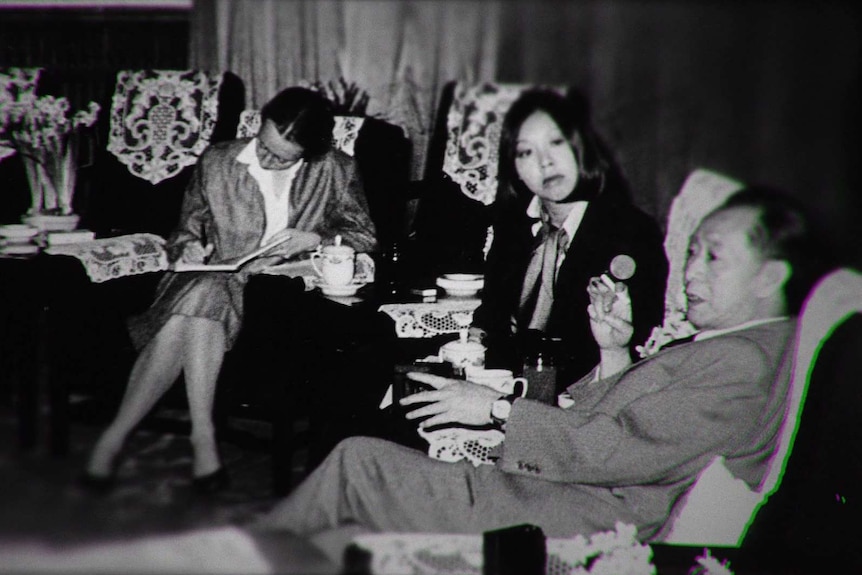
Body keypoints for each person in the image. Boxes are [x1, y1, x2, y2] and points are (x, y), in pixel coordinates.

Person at [253, 186, 823, 545]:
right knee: (358, 483)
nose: (691, 273)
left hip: (583, 517)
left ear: (771, 277)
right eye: (692, 252)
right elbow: (640, 429)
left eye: (714, 257)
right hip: (573, 490)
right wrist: (615, 352)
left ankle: (235, 559)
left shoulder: (745, 361)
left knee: (359, 464)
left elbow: (623, 450)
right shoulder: (733, 345)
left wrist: (497, 408)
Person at [82, 87, 377, 493]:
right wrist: (189, 245)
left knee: (193, 308)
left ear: (308, 152)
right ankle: (203, 442)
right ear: (260, 124)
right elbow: (186, 228)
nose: (268, 159)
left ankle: (115, 438)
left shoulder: (335, 169)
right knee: (205, 292)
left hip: (278, 291)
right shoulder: (219, 159)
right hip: (211, 276)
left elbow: (363, 234)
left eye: (283, 157)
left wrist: (313, 239)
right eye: (265, 145)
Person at [468, 89, 667, 388]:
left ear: (581, 147)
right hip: (504, 388)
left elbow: (630, 349)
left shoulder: (631, 233)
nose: (545, 162)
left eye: (556, 142)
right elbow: (492, 314)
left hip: (584, 401)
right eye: (525, 152)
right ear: (516, 170)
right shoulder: (513, 224)